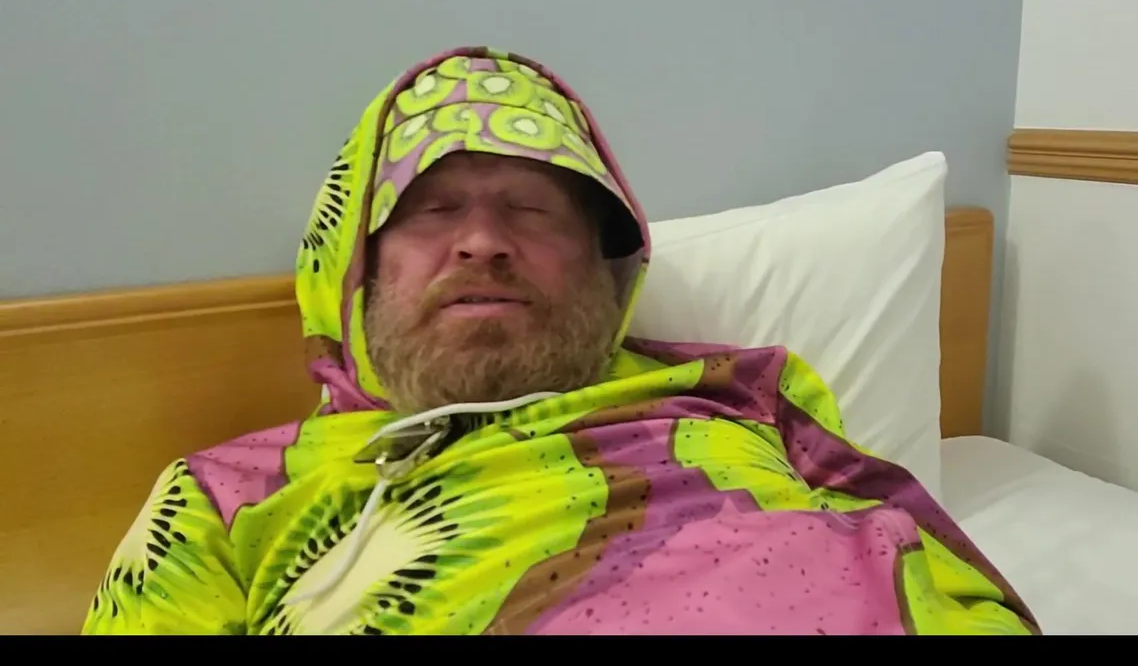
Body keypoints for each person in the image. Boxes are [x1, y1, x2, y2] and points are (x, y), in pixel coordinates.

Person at [82, 46, 1039, 636]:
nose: (482, 241)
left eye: (531, 209)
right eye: (432, 209)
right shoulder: (225, 498)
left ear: (607, 266)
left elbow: (942, 581)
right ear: (355, 268)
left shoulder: (747, 399)